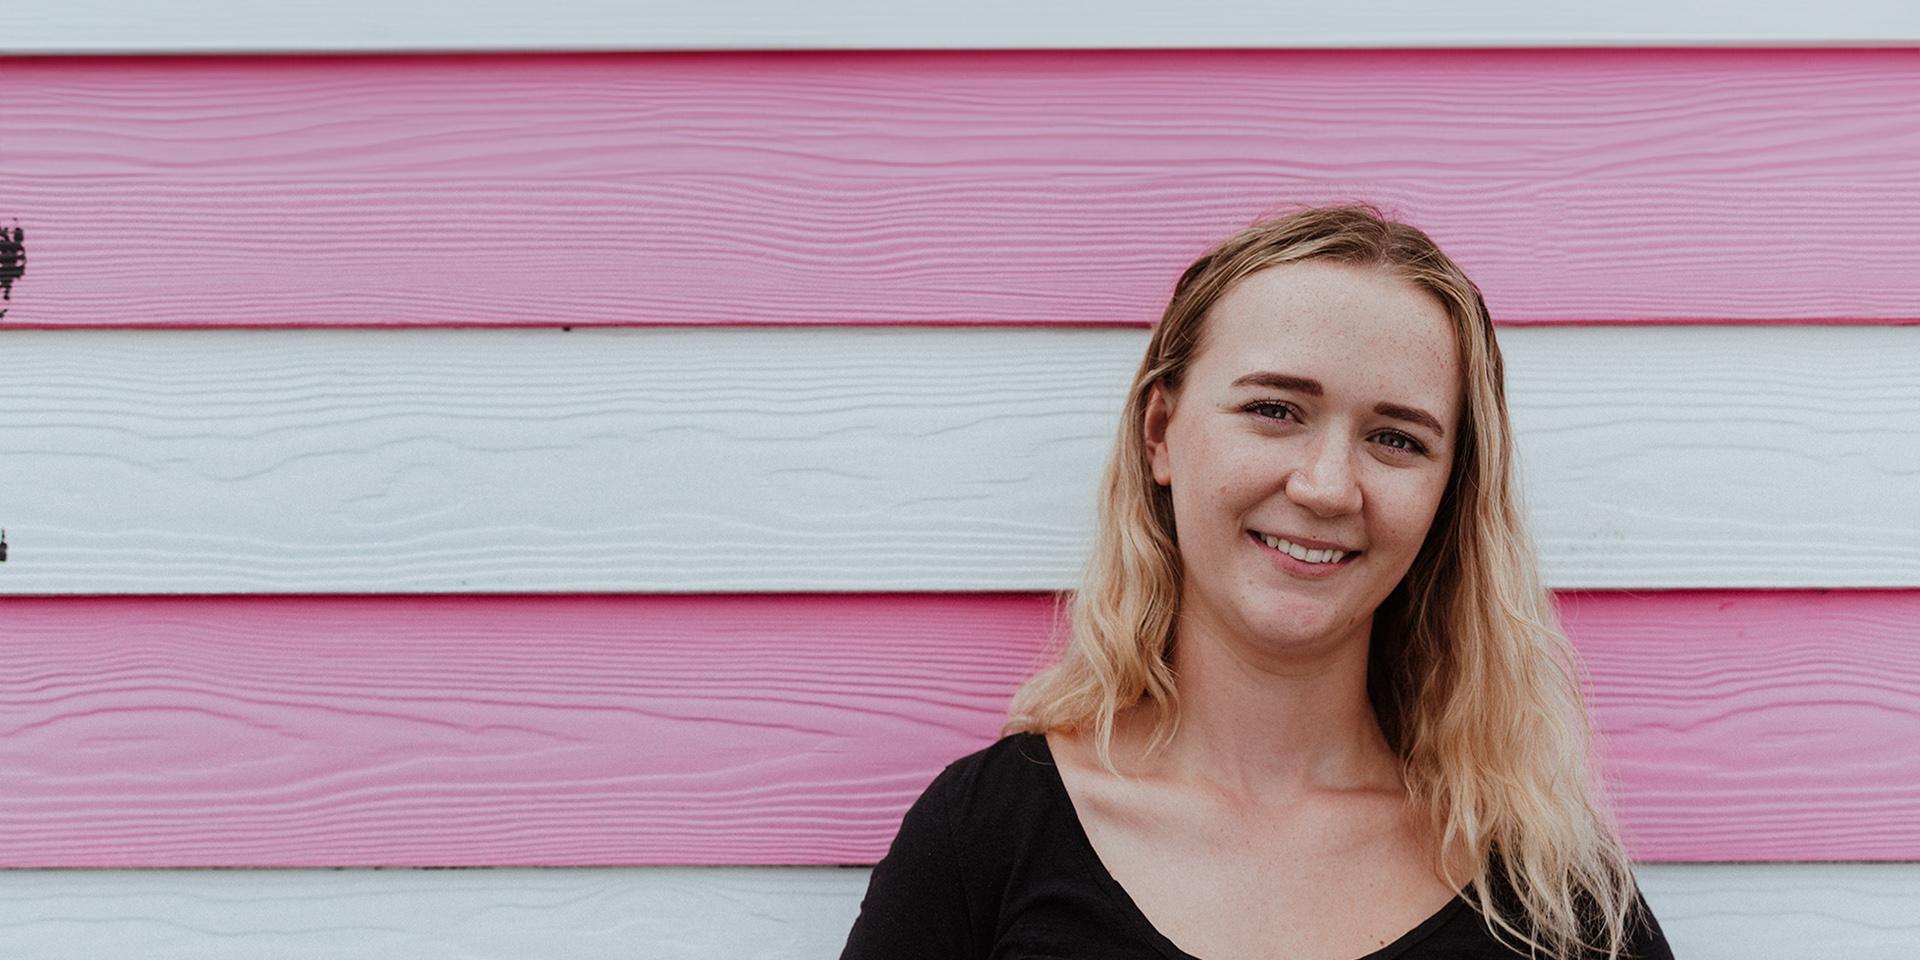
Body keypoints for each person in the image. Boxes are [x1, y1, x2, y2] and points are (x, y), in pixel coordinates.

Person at [838, 202, 1674, 960]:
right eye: (1275, 410)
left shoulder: (1550, 892)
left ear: (1448, 493)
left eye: (1398, 439)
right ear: (1161, 431)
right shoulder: (985, 838)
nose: (1325, 486)